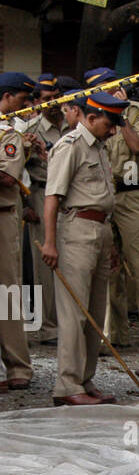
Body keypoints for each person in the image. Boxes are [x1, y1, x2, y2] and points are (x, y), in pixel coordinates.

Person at [41, 90, 129, 406]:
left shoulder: (100, 147)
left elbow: (105, 198)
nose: (114, 129)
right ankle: (67, 385)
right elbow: (53, 197)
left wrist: (113, 243)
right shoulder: (70, 146)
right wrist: (50, 242)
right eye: (109, 123)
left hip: (101, 229)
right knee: (73, 313)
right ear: (90, 118)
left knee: (94, 311)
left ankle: (85, 379)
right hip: (76, 230)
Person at [81, 67, 139, 353]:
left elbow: (137, 145)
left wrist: (121, 115)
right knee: (108, 265)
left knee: (138, 261)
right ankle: (113, 333)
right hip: (104, 193)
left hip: (133, 195)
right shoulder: (92, 114)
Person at [0, 72, 38, 392]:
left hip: (2, 218)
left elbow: (9, 178)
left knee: (7, 293)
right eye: (22, 101)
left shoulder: (8, 135)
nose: (24, 108)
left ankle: (18, 366)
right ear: (7, 97)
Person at [22, 74, 64, 343]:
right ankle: (48, 326)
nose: (53, 103)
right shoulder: (31, 128)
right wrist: (25, 204)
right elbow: (18, 170)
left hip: (68, 200)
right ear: (36, 101)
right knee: (44, 265)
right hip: (40, 194)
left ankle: (66, 323)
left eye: (56, 98)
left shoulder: (72, 125)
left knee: (70, 259)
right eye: (47, 99)